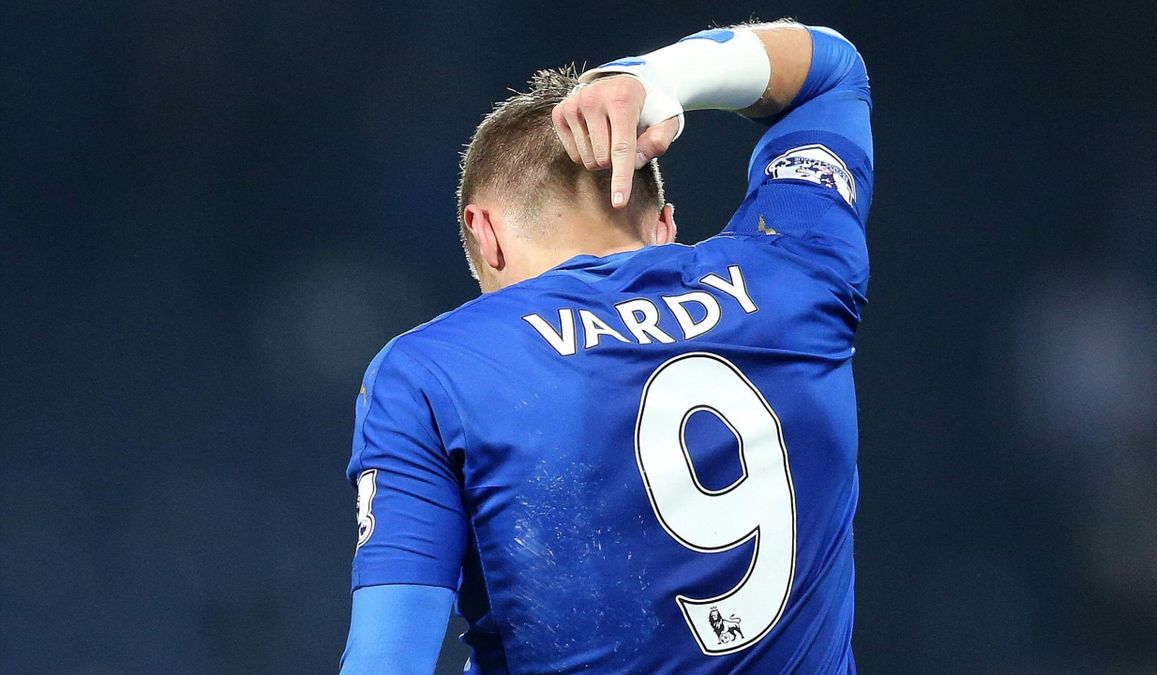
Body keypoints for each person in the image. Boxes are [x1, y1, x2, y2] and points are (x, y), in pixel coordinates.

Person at [341, 18, 873, 673]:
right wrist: (650, 76)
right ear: (665, 226)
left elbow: (388, 658)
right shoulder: (794, 274)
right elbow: (829, 77)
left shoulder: (433, 372)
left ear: (485, 234)